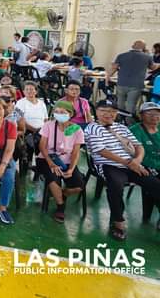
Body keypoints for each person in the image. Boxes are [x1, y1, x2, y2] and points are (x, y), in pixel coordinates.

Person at [84, 100, 160, 240]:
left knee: (155, 184)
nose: (108, 114)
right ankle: (118, 222)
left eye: (112, 111)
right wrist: (129, 162)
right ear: (97, 112)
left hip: (131, 164)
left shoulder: (122, 128)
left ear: (116, 113)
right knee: (116, 186)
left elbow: (139, 146)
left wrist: (136, 161)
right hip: (109, 165)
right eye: (104, 111)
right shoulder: (92, 128)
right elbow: (102, 151)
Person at [38, 100, 86, 223]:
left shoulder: (77, 130)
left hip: (67, 161)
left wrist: (71, 169)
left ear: (70, 114)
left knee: (79, 186)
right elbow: (42, 146)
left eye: (63, 112)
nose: (59, 114)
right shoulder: (48, 125)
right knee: (53, 179)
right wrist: (50, 163)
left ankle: (62, 194)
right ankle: (60, 206)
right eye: (57, 112)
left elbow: (76, 152)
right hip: (47, 158)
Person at [130, 102, 160, 229]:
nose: (155, 116)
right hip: (144, 166)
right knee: (156, 184)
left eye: (157, 113)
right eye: (150, 113)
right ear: (141, 115)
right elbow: (135, 154)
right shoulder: (134, 131)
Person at [107, 40, 158, 115]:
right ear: (144, 47)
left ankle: (120, 120)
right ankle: (129, 123)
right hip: (136, 85)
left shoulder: (121, 55)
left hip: (121, 83)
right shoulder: (147, 57)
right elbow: (153, 67)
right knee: (131, 105)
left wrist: (107, 77)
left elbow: (114, 68)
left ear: (132, 46)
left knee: (120, 104)